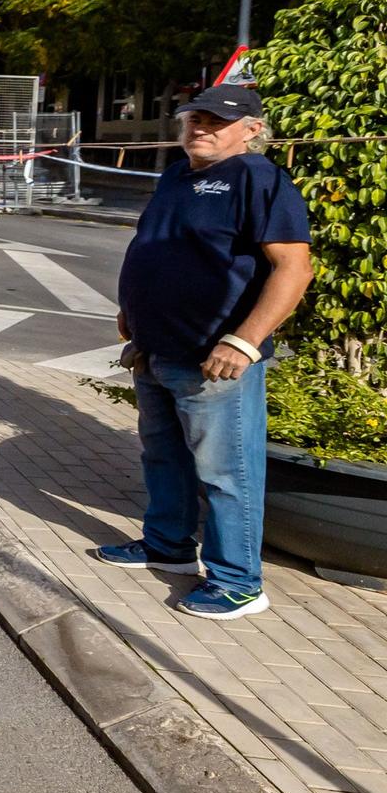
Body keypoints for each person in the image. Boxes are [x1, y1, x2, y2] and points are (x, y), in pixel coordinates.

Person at [94, 85, 312, 620]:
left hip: (215, 357)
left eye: (216, 121)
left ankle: (239, 581)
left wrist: (244, 340)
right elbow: (154, 246)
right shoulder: (175, 177)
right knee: (163, 456)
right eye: (195, 119)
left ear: (251, 129)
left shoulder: (259, 179)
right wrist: (131, 311)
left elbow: (294, 267)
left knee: (226, 472)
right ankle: (168, 544)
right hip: (156, 348)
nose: (202, 129)